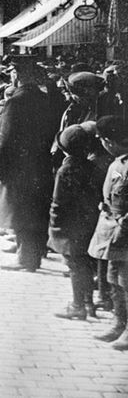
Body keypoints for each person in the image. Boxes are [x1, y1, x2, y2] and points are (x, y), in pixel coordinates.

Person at [0, 56, 62, 273]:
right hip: (40, 162)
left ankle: (26, 258)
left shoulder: (16, 102)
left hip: (17, 165)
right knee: (36, 210)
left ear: (17, 75)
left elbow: (5, 138)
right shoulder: (44, 99)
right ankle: (31, 253)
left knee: (19, 211)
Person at [49, 123, 104, 320]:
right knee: (86, 264)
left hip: (70, 226)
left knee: (75, 266)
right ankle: (89, 303)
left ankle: (77, 305)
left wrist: (54, 226)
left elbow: (58, 202)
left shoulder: (65, 170)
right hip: (89, 223)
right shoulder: (94, 168)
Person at [88, 116, 128, 350]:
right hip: (113, 231)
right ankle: (118, 322)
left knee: (126, 281)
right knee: (115, 280)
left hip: (125, 230)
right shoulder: (116, 163)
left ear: (109, 141)